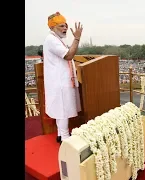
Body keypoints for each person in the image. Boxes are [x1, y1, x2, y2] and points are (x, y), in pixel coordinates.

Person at [43, 12, 83, 143]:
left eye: (66, 25)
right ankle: (65, 140)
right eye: (61, 26)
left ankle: (61, 134)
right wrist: (76, 38)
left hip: (60, 81)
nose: (65, 28)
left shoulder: (56, 39)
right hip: (59, 82)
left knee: (61, 109)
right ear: (52, 27)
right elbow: (69, 55)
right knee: (63, 110)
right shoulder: (51, 40)